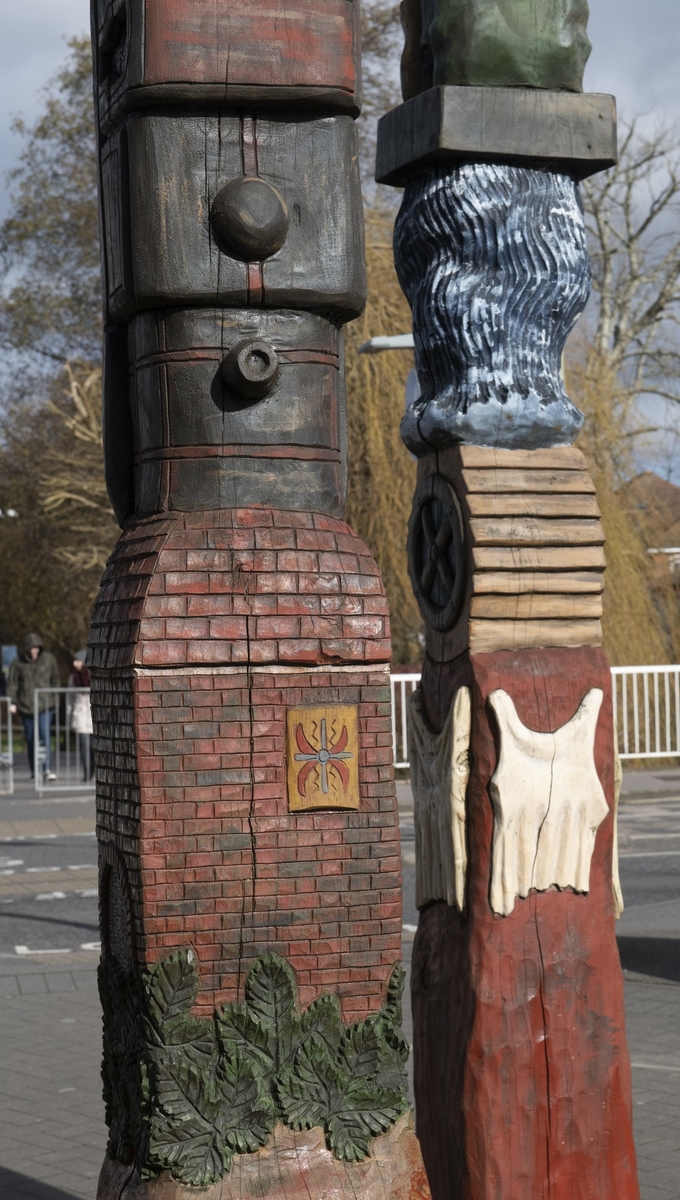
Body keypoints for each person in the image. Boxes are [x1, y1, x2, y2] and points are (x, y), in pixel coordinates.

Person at [7, 634, 60, 780]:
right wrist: (12, 703)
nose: (33, 651)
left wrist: (55, 702)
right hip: (26, 706)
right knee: (30, 738)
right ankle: (33, 770)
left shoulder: (49, 660)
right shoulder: (18, 663)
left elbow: (55, 680)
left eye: (36, 648)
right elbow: (12, 684)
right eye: (31, 649)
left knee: (44, 734)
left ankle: (47, 769)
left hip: (45, 705)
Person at [68, 651, 94, 782]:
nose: (74, 663)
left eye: (77, 661)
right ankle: (87, 772)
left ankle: (93, 768)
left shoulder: (92, 675)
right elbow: (70, 699)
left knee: (93, 747)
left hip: (92, 715)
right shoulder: (73, 678)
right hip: (80, 715)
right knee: (84, 746)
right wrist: (69, 716)